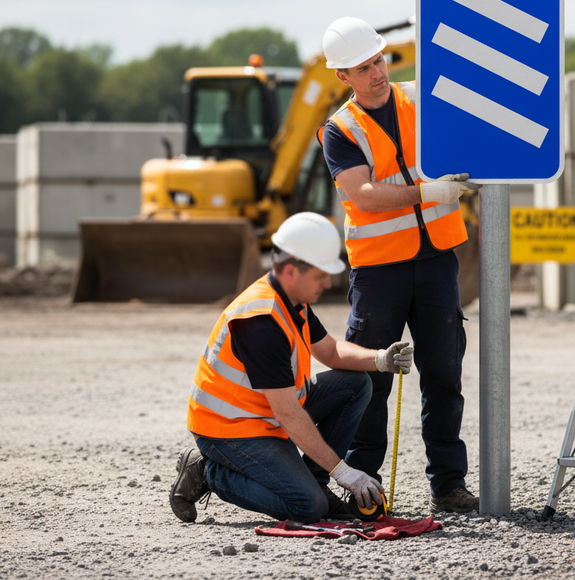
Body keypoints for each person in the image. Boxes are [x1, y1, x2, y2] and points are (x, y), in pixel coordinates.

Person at [318, 14, 481, 514]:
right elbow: (364, 196)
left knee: (443, 375)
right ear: (342, 77)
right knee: (372, 380)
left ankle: (448, 485)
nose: (377, 72)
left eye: (378, 60)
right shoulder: (339, 129)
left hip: (435, 261)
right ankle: (364, 486)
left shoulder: (419, 98)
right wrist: (430, 191)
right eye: (363, 68)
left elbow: (473, 80)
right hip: (379, 271)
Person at [169, 211, 413, 524]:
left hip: (263, 413)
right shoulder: (261, 323)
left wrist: (380, 359)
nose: (328, 282)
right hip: (230, 429)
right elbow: (288, 415)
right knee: (307, 507)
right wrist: (345, 472)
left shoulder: (292, 300)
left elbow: (331, 350)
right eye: (320, 275)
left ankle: (316, 483)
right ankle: (209, 470)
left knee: (356, 385)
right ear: (289, 271)